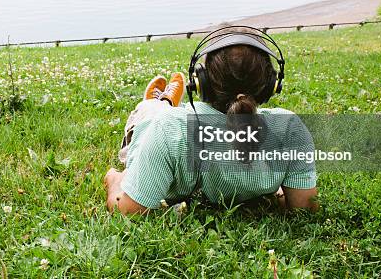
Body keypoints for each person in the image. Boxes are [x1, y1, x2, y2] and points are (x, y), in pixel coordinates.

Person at [104, 31, 318, 215]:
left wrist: (115, 179)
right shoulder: (290, 127)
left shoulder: (166, 127)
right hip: (166, 120)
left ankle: (158, 102)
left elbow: (128, 210)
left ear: (200, 83)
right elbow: (304, 207)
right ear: (270, 86)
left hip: (157, 122)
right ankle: (162, 100)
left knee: (150, 112)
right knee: (156, 112)